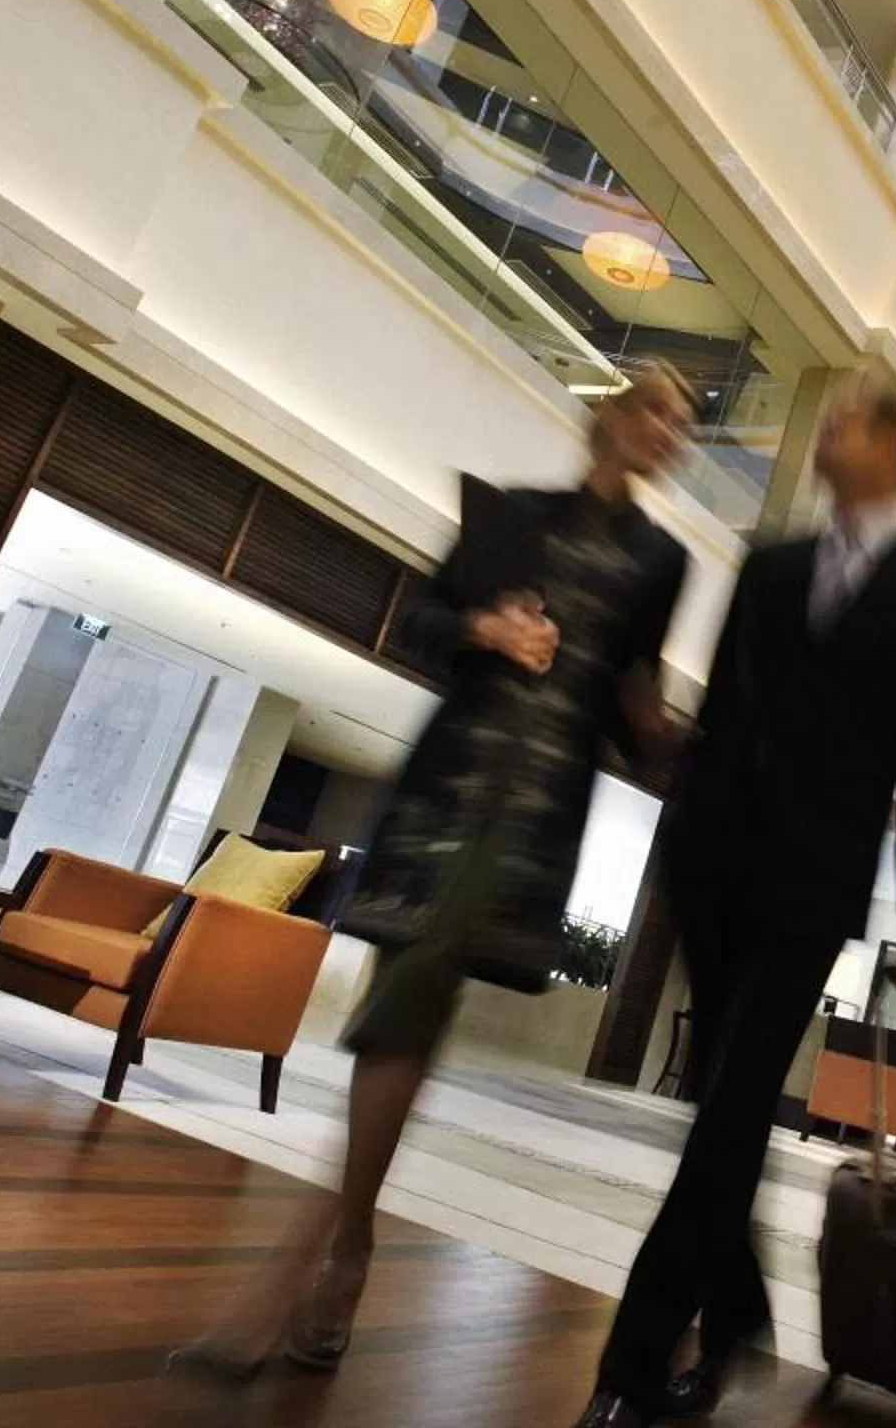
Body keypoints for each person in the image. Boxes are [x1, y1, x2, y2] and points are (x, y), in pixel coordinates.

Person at [170, 365, 700, 1378]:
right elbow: (420, 620)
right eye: (653, 406)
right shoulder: (514, 517)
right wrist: (486, 628)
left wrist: (668, 735)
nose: (670, 428)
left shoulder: (663, 561)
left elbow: (635, 694)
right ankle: (346, 1247)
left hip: (532, 823)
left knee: (406, 1007)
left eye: (684, 420)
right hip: (446, 792)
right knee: (397, 1016)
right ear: (608, 415)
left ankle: (303, 1266)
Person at [575, 369, 896, 1428]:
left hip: (816, 882)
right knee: (725, 1108)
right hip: (714, 858)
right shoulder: (769, 562)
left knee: (730, 1107)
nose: (827, 429)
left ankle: (627, 1372)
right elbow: (723, 707)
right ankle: (735, 1301)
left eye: (849, 417)